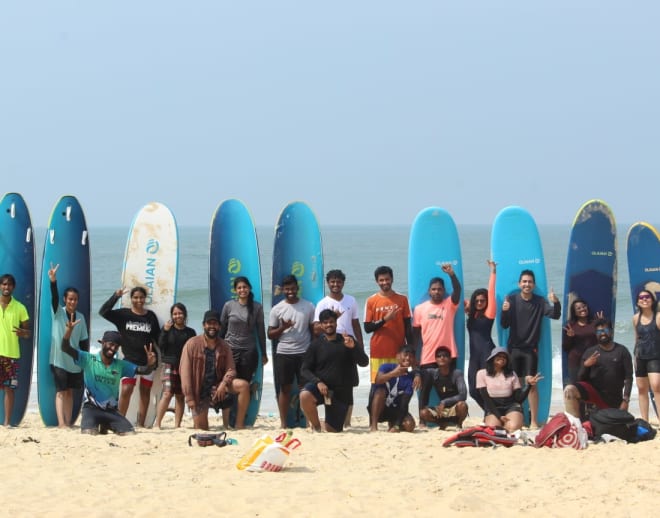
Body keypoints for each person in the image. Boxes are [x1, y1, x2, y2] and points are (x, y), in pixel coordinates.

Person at [61, 319, 157, 435]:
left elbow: (144, 371)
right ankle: (100, 425)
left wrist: (150, 364)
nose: (113, 349)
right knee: (89, 433)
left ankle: (106, 424)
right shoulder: (88, 359)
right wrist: (68, 331)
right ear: (103, 343)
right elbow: (65, 348)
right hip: (91, 409)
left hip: (111, 411)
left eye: (116, 346)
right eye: (111, 344)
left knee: (130, 433)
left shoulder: (120, 365)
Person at [500, 269, 560, 428]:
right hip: (513, 349)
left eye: (530, 282)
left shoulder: (540, 302)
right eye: (524, 281)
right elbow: (504, 325)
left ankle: (533, 421)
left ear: (533, 285)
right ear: (519, 284)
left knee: (531, 385)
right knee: (514, 385)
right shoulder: (511, 300)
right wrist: (504, 311)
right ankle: (517, 418)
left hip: (530, 350)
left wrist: (556, 302)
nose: (527, 284)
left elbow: (555, 315)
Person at [99, 286, 161, 427]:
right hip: (129, 360)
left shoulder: (150, 316)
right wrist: (115, 296)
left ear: (145, 299)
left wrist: (156, 358)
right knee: (126, 390)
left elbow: (158, 338)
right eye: (135, 297)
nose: (138, 300)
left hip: (147, 361)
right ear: (131, 299)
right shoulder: (123, 315)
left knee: (145, 392)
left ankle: (141, 424)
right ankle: (120, 421)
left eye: (141, 297)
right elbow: (103, 312)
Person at [299, 309, 369, 432]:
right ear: (320, 325)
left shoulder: (347, 339)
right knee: (304, 395)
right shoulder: (315, 345)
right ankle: (316, 427)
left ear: (336, 323)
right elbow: (304, 369)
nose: (328, 325)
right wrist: (318, 382)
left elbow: (364, 362)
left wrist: (353, 348)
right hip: (322, 388)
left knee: (333, 430)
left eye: (331, 322)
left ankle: (326, 424)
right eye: (325, 323)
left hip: (341, 391)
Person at [179, 310, 250, 430]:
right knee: (202, 429)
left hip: (218, 388)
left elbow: (231, 369)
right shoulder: (192, 344)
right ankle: (200, 418)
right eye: (209, 323)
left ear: (219, 326)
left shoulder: (224, 346)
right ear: (204, 325)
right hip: (199, 392)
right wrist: (190, 398)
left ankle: (239, 425)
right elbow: (184, 374)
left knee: (243, 385)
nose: (212, 326)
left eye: (215, 323)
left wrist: (223, 383)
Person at [313, 269, 364, 427]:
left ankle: (347, 421)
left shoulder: (351, 300)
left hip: (348, 344)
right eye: (332, 282)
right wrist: (333, 319)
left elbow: (355, 325)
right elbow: (316, 328)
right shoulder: (323, 303)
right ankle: (331, 418)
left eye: (339, 281)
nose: (336, 284)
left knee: (349, 383)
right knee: (332, 383)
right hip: (330, 345)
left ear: (343, 283)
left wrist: (360, 346)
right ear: (328, 283)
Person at [412, 264, 461, 426]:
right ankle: (422, 421)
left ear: (443, 290)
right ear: (429, 291)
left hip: (449, 355)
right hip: (427, 357)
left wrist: (452, 275)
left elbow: (457, 291)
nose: (437, 292)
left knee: (449, 390)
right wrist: (414, 360)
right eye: (433, 289)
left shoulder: (449, 305)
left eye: (440, 289)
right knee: (424, 390)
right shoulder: (420, 309)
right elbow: (416, 337)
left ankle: (450, 419)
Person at [267, 274, 315, 429]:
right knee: (285, 389)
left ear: (297, 288)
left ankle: (307, 421)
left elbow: (313, 330)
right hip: (284, 353)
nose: (290, 291)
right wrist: (283, 328)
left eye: (293, 288)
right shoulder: (277, 309)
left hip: (304, 352)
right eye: (287, 289)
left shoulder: (308, 306)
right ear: (282, 290)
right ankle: (283, 423)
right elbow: (270, 334)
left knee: (304, 388)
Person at [563, 319, 633, 419]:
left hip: (614, 398)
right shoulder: (590, 352)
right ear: (596, 334)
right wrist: (586, 366)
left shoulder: (622, 351)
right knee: (569, 389)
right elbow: (580, 378)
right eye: (599, 332)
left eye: (605, 330)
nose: (602, 334)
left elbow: (628, 378)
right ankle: (576, 426)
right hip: (594, 395)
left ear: (611, 332)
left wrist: (625, 400)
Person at [48, 264, 89, 428]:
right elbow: (54, 298)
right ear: (65, 299)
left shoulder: (80, 317)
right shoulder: (58, 312)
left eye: (75, 299)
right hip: (59, 360)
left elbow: (84, 341)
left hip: (74, 361)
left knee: (70, 392)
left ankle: (69, 422)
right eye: (70, 299)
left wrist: (84, 360)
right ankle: (61, 423)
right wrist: (53, 282)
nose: (72, 301)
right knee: (60, 391)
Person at [364, 266, 413, 383]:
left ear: (392, 279)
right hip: (378, 351)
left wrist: (411, 351)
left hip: (398, 352)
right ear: (377, 281)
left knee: (398, 386)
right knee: (377, 386)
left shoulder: (402, 299)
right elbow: (367, 328)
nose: (384, 282)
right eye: (381, 280)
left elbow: (408, 327)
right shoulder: (371, 300)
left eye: (387, 279)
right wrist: (385, 319)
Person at [476, 347, 541, 433]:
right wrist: (499, 416)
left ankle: (508, 424)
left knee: (512, 429)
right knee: (493, 430)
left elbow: (519, 399)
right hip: (493, 406)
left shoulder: (512, 374)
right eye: (499, 356)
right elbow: (486, 399)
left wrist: (528, 385)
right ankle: (496, 422)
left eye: (504, 357)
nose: (502, 358)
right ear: (492, 358)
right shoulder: (482, 374)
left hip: (511, 406)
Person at [219, 276, 268, 390]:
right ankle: (233, 402)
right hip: (230, 349)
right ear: (235, 290)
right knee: (228, 380)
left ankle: (249, 392)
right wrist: (217, 348)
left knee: (244, 383)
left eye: (244, 287)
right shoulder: (228, 305)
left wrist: (264, 354)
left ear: (249, 288)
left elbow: (261, 332)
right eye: (239, 288)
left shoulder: (257, 307)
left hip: (248, 352)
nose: (242, 290)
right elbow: (222, 328)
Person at [154, 302, 196, 429]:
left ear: (185, 314)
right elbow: (160, 345)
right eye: (175, 314)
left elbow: (193, 350)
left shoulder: (190, 332)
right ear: (172, 316)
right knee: (167, 394)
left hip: (184, 366)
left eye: (180, 313)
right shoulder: (167, 329)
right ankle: (157, 424)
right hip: (169, 364)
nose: (178, 316)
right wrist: (165, 331)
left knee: (180, 395)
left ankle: (177, 425)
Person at [465, 260, 497, 411]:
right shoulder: (472, 314)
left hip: (487, 354)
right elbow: (456, 299)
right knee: (472, 390)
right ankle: (490, 411)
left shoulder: (489, 314)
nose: (479, 302)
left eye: (482, 300)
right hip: (474, 357)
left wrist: (493, 272)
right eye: (476, 300)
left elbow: (491, 291)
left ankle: (491, 413)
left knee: (486, 389)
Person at [368, 345, 421, 433]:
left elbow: (404, 404)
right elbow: (377, 380)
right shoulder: (386, 367)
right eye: (405, 355)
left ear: (413, 360)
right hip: (379, 408)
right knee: (380, 391)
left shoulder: (410, 379)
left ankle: (393, 423)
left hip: (395, 410)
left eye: (411, 356)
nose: (408, 358)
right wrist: (393, 374)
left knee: (410, 426)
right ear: (397, 356)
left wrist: (397, 425)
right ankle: (374, 426)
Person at [0, 273, 30, 426]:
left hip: (11, 354)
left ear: (13, 287)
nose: (6, 287)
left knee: (9, 389)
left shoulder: (20, 308)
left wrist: (22, 333)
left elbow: (27, 332)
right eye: (4, 284)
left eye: (9, 284)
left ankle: (6, 423)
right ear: (0, 286)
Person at [418, 346, 468, 429]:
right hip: (441, 410)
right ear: (436, 360)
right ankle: (442, 423)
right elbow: (420, 371)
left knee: (462, 405)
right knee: (423, 413)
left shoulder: (456, 373)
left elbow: (463, 395)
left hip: (454, 408)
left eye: (445, 356)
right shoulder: (433, 373)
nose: (442, 358)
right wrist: (417, 375)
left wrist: (445, 402)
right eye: (439, 356)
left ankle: (459, 424)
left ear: (450, 359)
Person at [632, 289, 660, 423]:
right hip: (640, 357)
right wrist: (634, 358)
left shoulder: (658, 316)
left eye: (647, 297)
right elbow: (637, 339)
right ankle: (645, 421)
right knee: (642, 389)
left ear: (652, 300)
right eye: (641, 297)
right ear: (637, 301)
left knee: (656, 386)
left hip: (655, 356)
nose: (644, 299)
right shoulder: (636, 318)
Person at [562, 298, 602, 385]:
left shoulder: (595, 323)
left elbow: (604, 340)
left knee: (594, 389)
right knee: (577, 389)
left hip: (593, 359)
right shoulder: (570, 326)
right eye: (578, 308)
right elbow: (566, 347)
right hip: (576, 361)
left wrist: (602, 324)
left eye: (584, 306)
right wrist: (570, 337)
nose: (582, 309)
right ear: (574, 312)